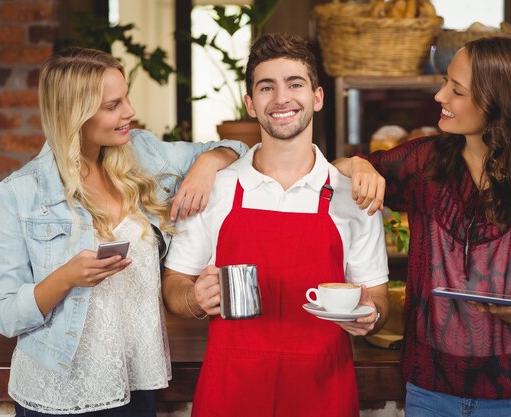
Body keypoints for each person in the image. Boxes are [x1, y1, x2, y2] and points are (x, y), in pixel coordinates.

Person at [335, 36, 511, 416]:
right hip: (430, 390)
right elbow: (334, 171)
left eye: (456, 89)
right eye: (444, 84)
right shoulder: (426, 162)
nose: (439, 96)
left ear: (497, 102)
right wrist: (358, 165)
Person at [0, 47, 248, 417]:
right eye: (113, 105)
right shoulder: (20, 193)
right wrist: (65, 278)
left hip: (133, 383)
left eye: (125, 97)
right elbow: (5, 315)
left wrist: (208, 162)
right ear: (75, 115)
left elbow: (239, 148)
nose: (130, 111)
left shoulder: (143, 152)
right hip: (57, 392)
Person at [162, 32, 389, 417]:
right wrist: (195, 299)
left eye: (294, 84)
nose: (281, 98)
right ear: (251, 104)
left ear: (317, 97)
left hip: (323, 393)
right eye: (267, 87)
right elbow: (174, 288)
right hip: (231, 392)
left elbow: (379, 301)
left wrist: (371, 317)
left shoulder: (353, 194)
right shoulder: (215, 188)